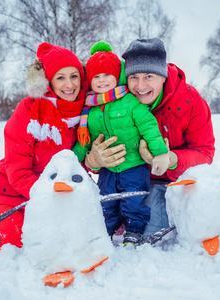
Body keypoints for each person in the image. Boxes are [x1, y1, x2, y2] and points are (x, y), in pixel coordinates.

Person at [82, 38, 215, 238]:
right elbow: (90, 143)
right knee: (138, 227)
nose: (140, 85)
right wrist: (93, 161)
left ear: (163, 76)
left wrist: (170, 159)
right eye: (133, 76)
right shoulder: (114, 101)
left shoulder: (190, 100)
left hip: (177, 180)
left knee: (165, 227)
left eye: (149, 76)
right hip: (135, 179)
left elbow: (205, 153)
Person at [0, 42, 89, 256]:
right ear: (48, 82)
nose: (69, 84)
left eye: (74, 76)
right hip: (13, 191)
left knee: (73, 238)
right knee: (5, 242)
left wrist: (94, 162)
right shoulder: (29, 109)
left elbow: (81, 160)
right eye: (60, 77)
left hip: (60, 193)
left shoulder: (86, 111)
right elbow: (17, 171)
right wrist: (48, 196)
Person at [72, 41, 169, 246]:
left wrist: (160, 153)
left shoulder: (130, 101)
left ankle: (134, 229)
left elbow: (149, 126)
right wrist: (73, 159)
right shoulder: (90, 109)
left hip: (133, 165)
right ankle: (106, 227)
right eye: (96, 76)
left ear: (118, 75)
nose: (102, 80)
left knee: (133, 201)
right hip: (107, 169)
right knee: (106, 200)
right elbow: (85, 139)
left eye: (107, 75)